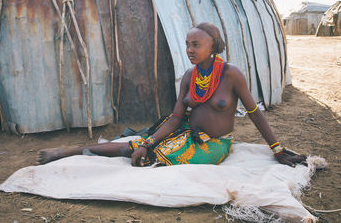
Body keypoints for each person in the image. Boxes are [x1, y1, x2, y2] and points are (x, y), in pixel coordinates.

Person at [37, 22, 306, 167]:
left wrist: (277, 149)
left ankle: (78, 152)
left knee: (158, 157)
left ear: (213, 47)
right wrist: (148, 141)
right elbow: (176, 118)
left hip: (214, 143)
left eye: (196, 44)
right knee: (138, 146)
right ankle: (69, 152)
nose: (189, 49)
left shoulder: (231, 74)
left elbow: (254, 113)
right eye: (187, 44)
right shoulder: (189, 77)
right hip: (186, 131)